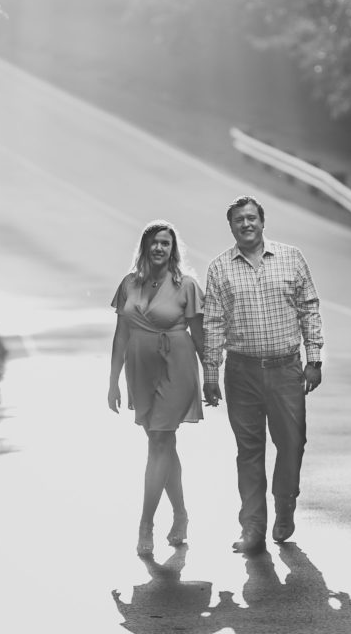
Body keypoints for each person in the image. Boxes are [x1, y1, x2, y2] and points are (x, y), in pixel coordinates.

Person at [203, 195, 323, 555]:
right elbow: (212, 322)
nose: (246, 224)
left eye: (251, 217)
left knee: (292, 443)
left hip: (286, 369)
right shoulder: (220, 268)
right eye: (238, 220)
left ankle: (284, 504)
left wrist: (313, 358)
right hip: (242, 372)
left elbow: (309, 307)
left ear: (262, 221)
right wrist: (211, 373)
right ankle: (253, 527)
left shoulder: (291, 257)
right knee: (249, 452)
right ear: (231, 226)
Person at [108, 220, 204, 556]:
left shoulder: (187, 285)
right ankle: (180, 514)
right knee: (162, 441)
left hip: (176, 366)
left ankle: (145, 524)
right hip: (140, 369)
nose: (160, 248)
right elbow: (121, 335)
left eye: (166, 243)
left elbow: (200, 335)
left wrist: (212, 377)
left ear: (173, 249)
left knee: (160, 440)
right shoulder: (129, 284)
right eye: (154, 242)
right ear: (145, 247)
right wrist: (112, 381)